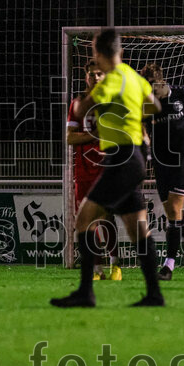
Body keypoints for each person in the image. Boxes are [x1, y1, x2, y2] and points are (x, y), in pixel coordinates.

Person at [51, 29, 164, 307]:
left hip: (121, 159)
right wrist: (130, 114)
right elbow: (155, 106)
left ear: (98, 55)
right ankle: (154, 295)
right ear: (120, 52)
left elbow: (81, 110)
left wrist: (82, 101)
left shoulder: (111, 81)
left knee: (83, 220)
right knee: (139, 229)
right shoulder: (133, 77)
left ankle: (86, 293)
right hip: (136, 157)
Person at [138, 63, 184, 280]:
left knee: (175, 209)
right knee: (172, 212)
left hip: (183, 158)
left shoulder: (182, 93)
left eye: (152, 86)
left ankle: (168, 266)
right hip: (161, 161)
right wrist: (144, 137)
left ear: (161, 81)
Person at [67, 60, 121, 281]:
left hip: (106, 170)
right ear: (86, 77)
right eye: (92, 74)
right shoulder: (78, 104)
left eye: (100, 74)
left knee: (106, 217)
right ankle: (96, 269)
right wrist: (95, 135)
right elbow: (70, 137)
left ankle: (115, 264)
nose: (96, 78)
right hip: (83, 171)